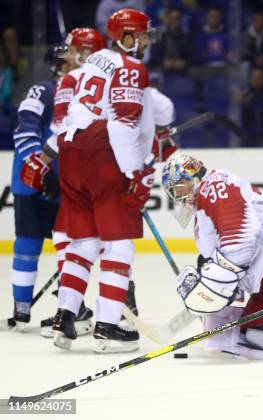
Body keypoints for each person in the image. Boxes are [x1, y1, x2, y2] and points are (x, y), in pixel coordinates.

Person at [48, 8, 158, 354]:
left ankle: (65, 317)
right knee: (119, 245)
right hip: (103, 154)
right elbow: (123, 124)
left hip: (71, 154)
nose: (143, 41)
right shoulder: (131, 68)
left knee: (82, 241)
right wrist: (134, 173)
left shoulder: (92, 62)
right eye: (139, 34)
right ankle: (108, 327)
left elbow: (71, 118)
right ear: (124, 36)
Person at [161, 154, 263, 359]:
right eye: (173, 192)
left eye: (179, 187)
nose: (178, 195)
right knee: (258, 338)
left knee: (262, 343)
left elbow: (241, 244)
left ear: (193, 176)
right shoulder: (205, 199)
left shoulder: (214, 186)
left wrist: (212, 285)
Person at [20, 27, 107, 338]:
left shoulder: (75, 81)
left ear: (82, 51)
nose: (66, 53)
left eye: (71, 48)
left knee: (92, 239)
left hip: (86, 167)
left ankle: (84, 309)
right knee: (79, 235)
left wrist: (43, 160)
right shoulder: (111, 72)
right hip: (98, 166)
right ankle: (80, 308)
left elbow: (65, 128)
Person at [7, 45, 65, 332]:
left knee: (71, 246)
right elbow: (24, 131)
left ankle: (69, 307)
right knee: (28, 244)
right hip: (30, 182)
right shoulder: (42, 91)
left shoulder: (83, 96)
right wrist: (41, 170)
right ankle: (22, 305)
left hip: (64, 183)